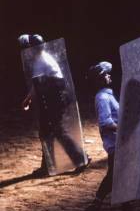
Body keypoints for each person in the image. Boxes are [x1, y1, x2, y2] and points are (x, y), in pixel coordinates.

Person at [19, 34, 88, 176]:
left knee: (57, 132)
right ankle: (48, 165)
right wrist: (28, 98)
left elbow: (38, 85)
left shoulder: (41, 62)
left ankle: (80, 158)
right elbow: (36, 85)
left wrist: (29, 99)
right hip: (53, 99)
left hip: (54, 100)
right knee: (46, 132)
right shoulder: (42, 57)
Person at [84, 62, 138, 211]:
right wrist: (125, 127)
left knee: (118, 177)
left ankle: (106, 209)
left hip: (119, 143)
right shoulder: (102, 97)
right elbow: (105, 121)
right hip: (115, 144)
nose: (108, 76)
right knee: (115, 177)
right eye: (104, 75)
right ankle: (97, 207)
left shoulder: (107, 95)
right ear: (99, 80)